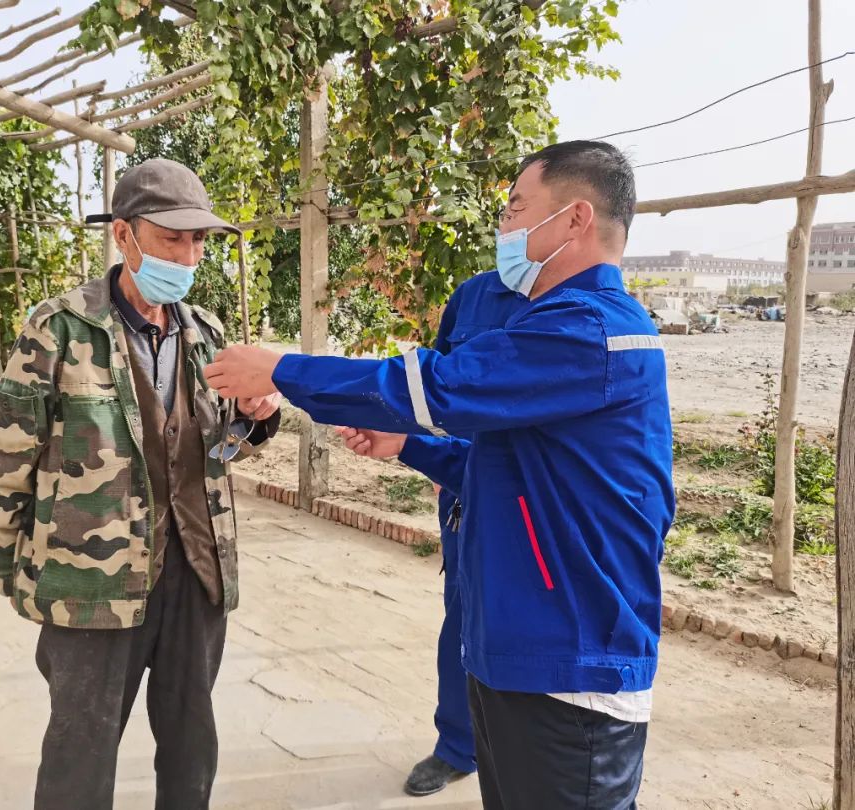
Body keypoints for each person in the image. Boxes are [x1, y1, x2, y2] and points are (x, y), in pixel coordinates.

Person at [203, 141, 675, 809]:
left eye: (516, 210)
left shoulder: (590, 330)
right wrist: (408, 446)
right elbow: (505, 469)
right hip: (518, 648)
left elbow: (436, 387)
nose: (505, 228)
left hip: (570, 668)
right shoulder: (547, 320)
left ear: (574, 218)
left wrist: (281, 370)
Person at [0, 157, 281, 810]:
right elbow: (5, 458)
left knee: (191, 745)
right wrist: (14, 566)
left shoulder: (206, 334)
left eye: (198, 241)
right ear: (124, 235)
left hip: (195, 575)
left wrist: (256, 417)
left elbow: (218, 447)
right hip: (92, 581)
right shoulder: (60, 330)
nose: (189, 256)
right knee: (80, 755)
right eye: (173, 239)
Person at [383, 271, 529, 797]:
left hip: (537, 503)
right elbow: (435, 389)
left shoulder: (575, 304)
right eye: (505, 226)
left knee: (532, 629)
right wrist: (418, 446)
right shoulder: (473, 296)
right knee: (463, 622)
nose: (509, 233)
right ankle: (457, 746)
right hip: (466, 492)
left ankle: (526, 752)